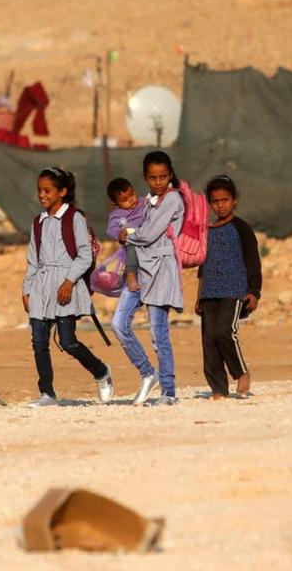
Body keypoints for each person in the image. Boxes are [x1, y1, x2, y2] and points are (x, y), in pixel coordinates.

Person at [22, 166, 113, 407]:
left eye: (47, 190)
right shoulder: (38, 222)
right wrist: (26, 288)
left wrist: (69, 281)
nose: (42, 195)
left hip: (66, 284)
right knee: (39, 341)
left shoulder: (75, 218)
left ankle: (101, 371)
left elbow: (84, 255)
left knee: (68, 341)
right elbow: (33, 258)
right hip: (42, 285)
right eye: (39, 190)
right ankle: (47, 393)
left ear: (62, 192)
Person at [112, 151, 184, 406]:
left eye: (163, 176)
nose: (158, 182)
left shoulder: (173, 199)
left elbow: (150, 234)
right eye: (153, 177)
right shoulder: (149, 201)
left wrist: (128, 236)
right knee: (119, 324)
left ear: (170, 175)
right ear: (145, 177)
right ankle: (146, 372)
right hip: (140, 269)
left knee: (158, 333)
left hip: (161, 270)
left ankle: (169, 391)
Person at [195, 175, 262, 399]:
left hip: (234, 289)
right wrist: (199, 295)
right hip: (209, 291)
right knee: (209, 339)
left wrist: (254, 291)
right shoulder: (207, 230)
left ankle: (241, 372)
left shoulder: (241, 228)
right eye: (215, 201)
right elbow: (203, 265)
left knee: (225, 331)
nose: (220, 205)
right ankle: (218, 388)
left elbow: (253, 260)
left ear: (234, 200)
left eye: (225, 200)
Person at [106, 177, 146, 292]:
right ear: (116, 203)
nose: (131, 200)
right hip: (133, 239)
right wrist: (119, 234)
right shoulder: (117, 214)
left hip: (147, 236)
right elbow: (111, 228)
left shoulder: (143, 202)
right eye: (125, 200)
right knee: (131, 249)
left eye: (132, 194)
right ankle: (131, 276)